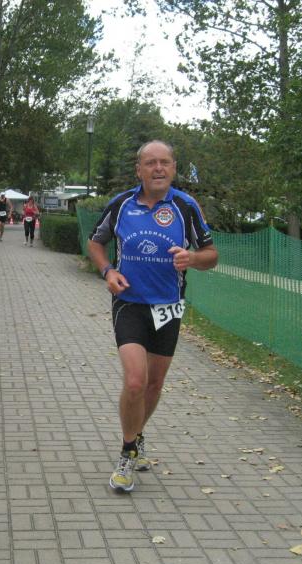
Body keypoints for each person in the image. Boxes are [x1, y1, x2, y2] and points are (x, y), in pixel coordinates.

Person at [87, 140, 218, 493]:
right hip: (129, 303)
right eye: (150, 163)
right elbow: (95, 243)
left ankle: (138, 433)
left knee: (154, 385)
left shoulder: (185, 206)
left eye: (164, 162)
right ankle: (128, 452)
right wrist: (108, 271)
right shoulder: (121, 205)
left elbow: (211, 254)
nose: (158, 168)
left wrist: (193, 259)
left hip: (168, 307)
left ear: (173, 168)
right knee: (135, 382)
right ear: (139, 170)